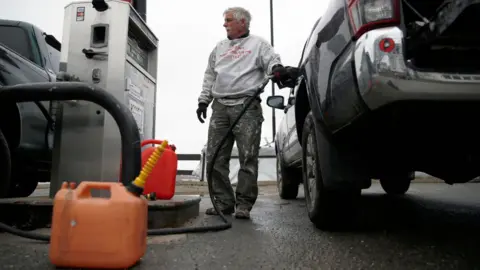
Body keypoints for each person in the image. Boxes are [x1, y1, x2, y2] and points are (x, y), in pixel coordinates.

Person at [196, 6, 295, 219]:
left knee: (247, 157)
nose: (225, 24)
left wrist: (277, 69)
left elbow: (271, 62)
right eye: (225, 20)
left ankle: (243, 204)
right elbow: (209, 75)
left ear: (243, 22)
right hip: (220, 107)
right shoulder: (219, 48)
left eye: (229, 20)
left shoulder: (258, 44)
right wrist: (204, 101)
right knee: (215, 156)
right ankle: (223, 202)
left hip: (247, 106)